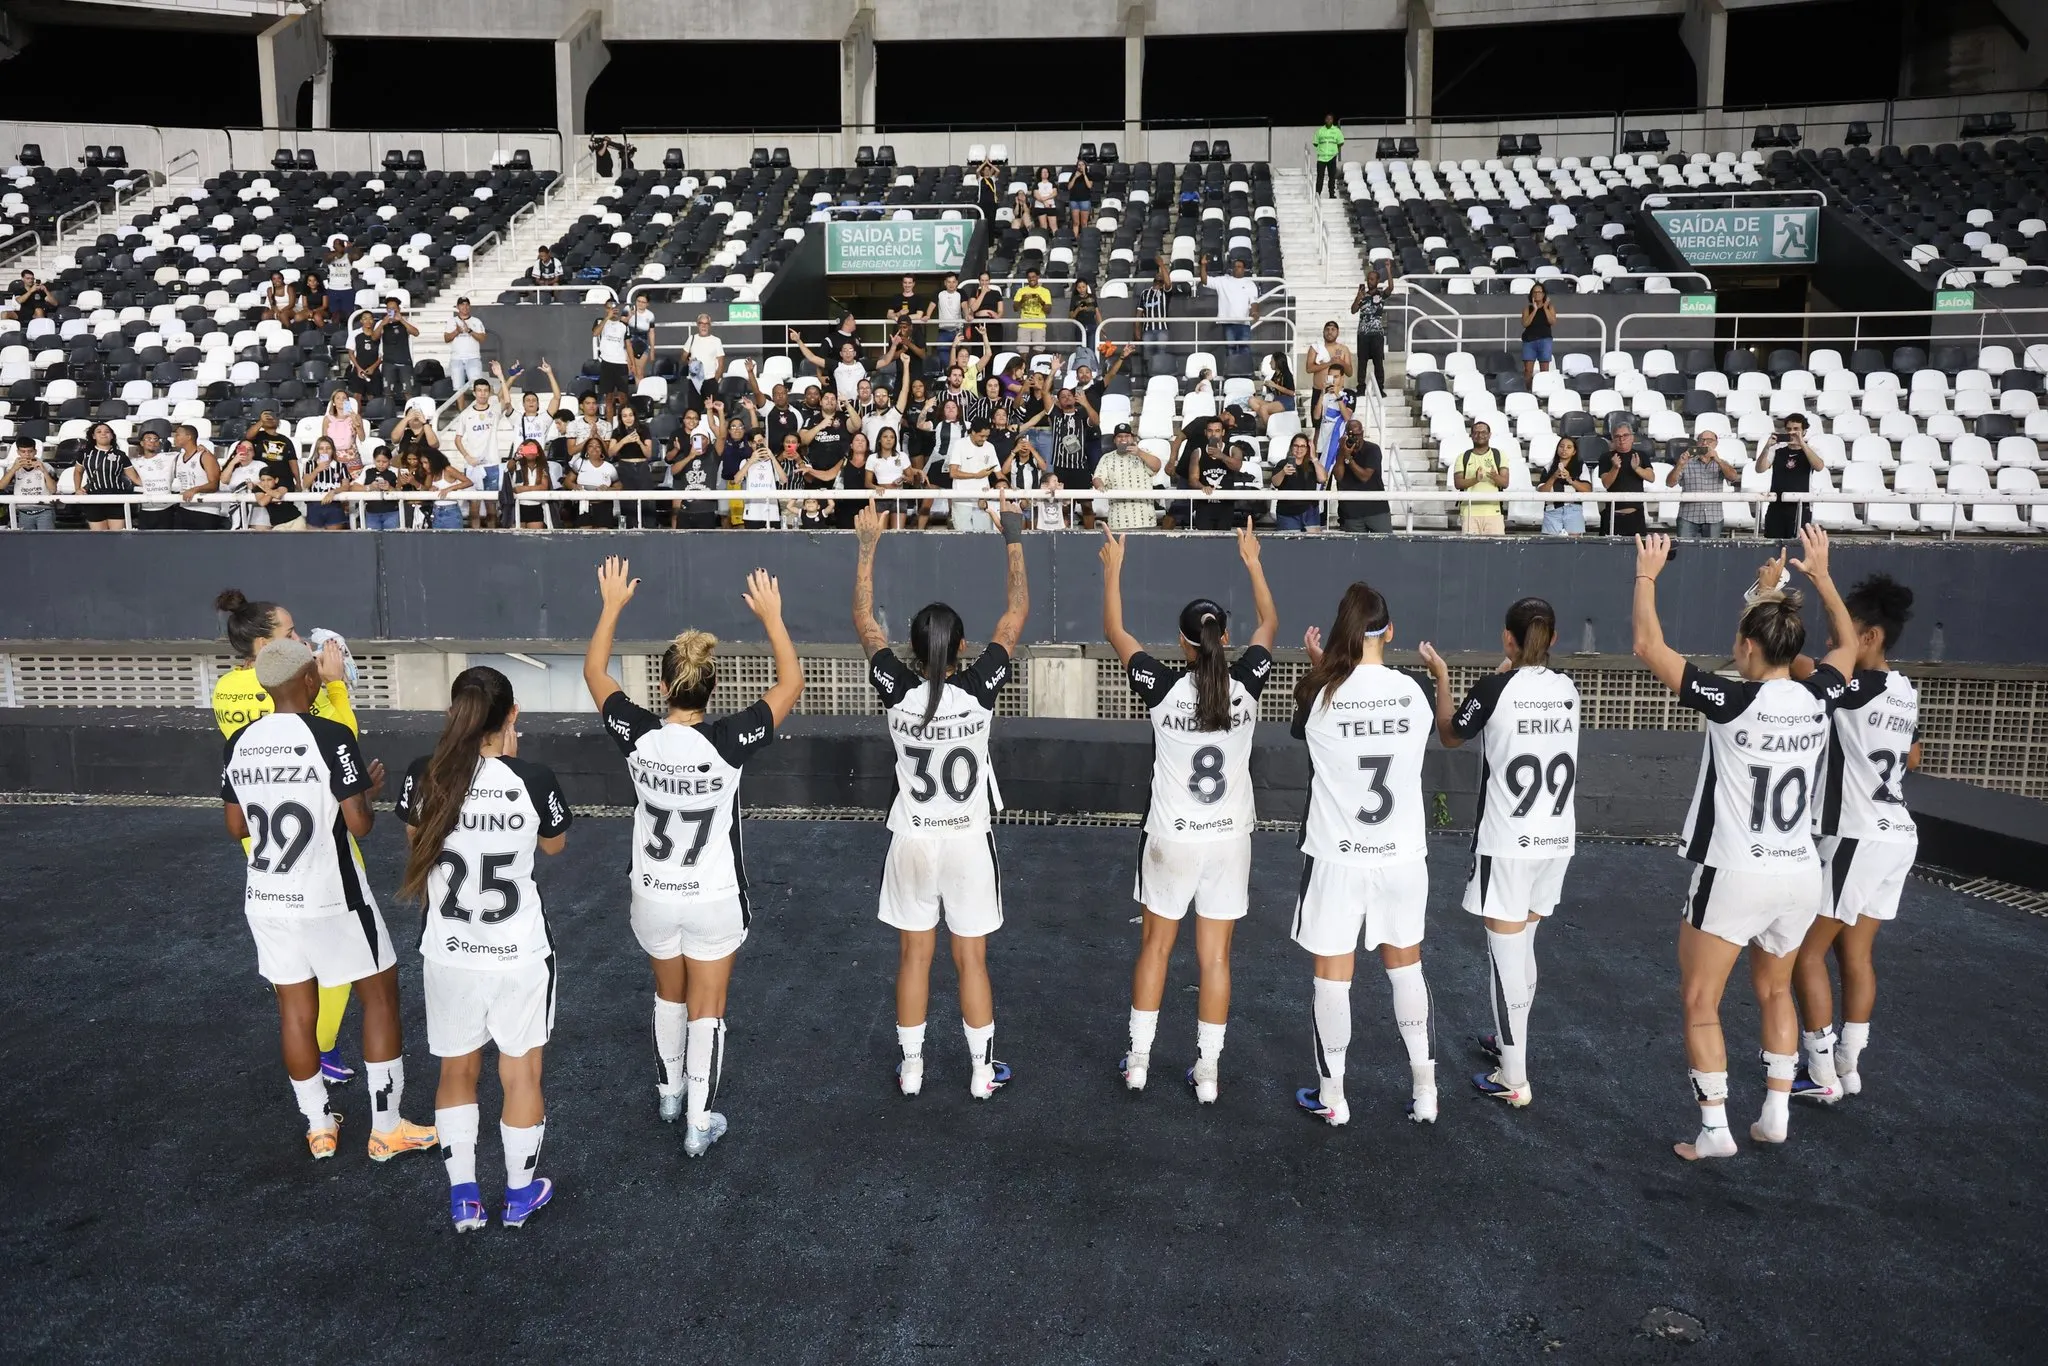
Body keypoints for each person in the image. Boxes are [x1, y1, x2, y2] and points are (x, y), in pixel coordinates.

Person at [1632, 526, 1857, 1161]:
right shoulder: (1818, 697)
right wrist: (1819, 577)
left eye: (1740, 637)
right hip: (1797, 873)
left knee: (1701, 999)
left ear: (1751, 647)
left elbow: (1649, 644)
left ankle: (1713, 1130)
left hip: (1734, 869)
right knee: (1774, 990)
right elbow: (1845, 645)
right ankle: (1776, 1114)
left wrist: (1648, 574)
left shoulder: (1731, 701)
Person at [583, 557, 804, 1153]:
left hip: (653, 892)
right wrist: (773, 619)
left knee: (668, 995)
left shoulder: (638, 733)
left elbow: (595, 671)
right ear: (713, 688)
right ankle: (698, 1120)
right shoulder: (729, 741)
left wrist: (611, 606)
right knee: (708, 1007)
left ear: (662, 688)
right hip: (712, 896)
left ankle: (669, 1093)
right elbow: (789, 685)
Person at [220, 638, 439, 1162]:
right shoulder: (330, 733)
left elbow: (236, 826)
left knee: (296, 1010)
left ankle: (319, 1126)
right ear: (310, 682)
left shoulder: (240, 741)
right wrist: (363, 794)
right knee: (380, 996)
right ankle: (387, 1128)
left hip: (267, 896)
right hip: (331, 894)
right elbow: (359, 824)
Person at [852, 499, 1028, 1099]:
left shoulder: (896, 689)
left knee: (914, 958)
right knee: (971, 961)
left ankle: (913, 1068)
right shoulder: (979, 689)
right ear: (962, 649)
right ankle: (981, 1072)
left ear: (910, 646)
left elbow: (863, 621)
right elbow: (1016, 614)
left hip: (912, 839)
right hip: (966, 841)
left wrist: (868, 545)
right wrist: (1012, 537)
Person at [1102, 527, 1277, 1102]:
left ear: (1182, 643)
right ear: (1224, 637)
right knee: (1216, 957)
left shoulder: (1162, 688)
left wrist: (1113, 568)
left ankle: (1139, 1061)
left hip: (1171, 838)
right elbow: (1269, 627)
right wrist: (1252, 563)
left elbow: (1115, 632)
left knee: (1155, 946)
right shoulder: (1248, 681)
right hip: (1227, 841)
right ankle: (1208, 1072)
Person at [395, 667, 572, 1231]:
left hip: (449, 951)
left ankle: (464, 1197)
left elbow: (415, 840)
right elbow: (554, 845)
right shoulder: (535, 777)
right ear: (512, 716)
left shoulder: (424, 776)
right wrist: (510, 770)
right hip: (518, 953)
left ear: (454, 714)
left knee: (456, 1072)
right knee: (521, 1075)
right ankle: (519, 1195)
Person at [1417, 598, 1579, 1109]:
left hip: (1508, 843)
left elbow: (1449, 734)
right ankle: (1511, 1044)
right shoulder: (1568, 690)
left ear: (1507, 639)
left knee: (1505, 958)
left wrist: (1442, 677)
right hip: (1556, 840)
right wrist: (1507, 669)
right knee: (1523, 948)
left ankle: (1514, 1074)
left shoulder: (1495, 688)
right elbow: (1513, 694)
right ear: (1552, 639)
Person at [1289, 582, 1439, 1127]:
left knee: (1332, 978)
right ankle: (1426, 1089)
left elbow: (1315, 722)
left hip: (1337, 857)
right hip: (1401, 855)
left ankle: (1334, 1096)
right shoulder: (1415, 691)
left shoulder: (1316, 691)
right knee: (1406, 970)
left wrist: (1320, 668)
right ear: (1390, 631)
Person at [213, 591, 362, 1082]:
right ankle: (320, 1048)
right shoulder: (295, 689)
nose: (301, 639)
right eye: (291, 633)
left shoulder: (224, 689)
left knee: (290, 960)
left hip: (258, 837)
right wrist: (334, 687)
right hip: (316, 830)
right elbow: (343, 742)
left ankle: (308, 1050)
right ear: (264, 644)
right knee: (344, 953)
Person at [1789, 572, 1920, 1103]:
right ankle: (1848, 1064)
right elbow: (1914, 756)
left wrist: (1796, 590)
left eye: (1842, 636)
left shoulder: (1854, 686)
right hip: (1897, 836)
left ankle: (1819, 1074)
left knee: (1804, 953)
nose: (1832, 647)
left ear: (1868, 637)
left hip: (1854, 834)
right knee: (1856, 955)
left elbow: (1800, 669)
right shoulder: (1905, 689)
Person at [1667, 430, 1741, 540]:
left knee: (1711, 553)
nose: (1705, 443)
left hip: (1714, 516)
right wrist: (1679, 465)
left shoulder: (1721, 463)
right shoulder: (1686, 462)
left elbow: (1734, 477)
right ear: (1697, 443)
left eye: (1709, 440)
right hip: (1688, 516)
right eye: (1702, 440)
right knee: (1685, 551)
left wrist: (1718, 460)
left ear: (1716, 444)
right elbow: (1670, 483)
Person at [1759, 412, 1823, 539]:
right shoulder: (1776, 449)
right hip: (1777, 505)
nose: (1792, 432)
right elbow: (1760, 469)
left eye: (1796, 429)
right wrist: (1766, 447)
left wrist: (1802, 444)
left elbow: (1819, 466)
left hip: (1800, 506)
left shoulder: (1811, 450)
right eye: (1789, 429)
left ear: (1804, 431)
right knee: (1772, 545)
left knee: (1797, 549)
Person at [1093, 422, 1160, 531]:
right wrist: (1099, 485)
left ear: (1132, 438)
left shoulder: (1144, 453)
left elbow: (1157, 466)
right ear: (1114, 440)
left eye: (1127, 436)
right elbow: (1098, 478)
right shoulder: (1107, 458)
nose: (1123, 439)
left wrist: (1139, 453)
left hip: (1145, 518)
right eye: (1119, 436)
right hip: (1118, 520)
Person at [1333, 419, 1390, 534]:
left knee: (1385, 546)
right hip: (1351, 512)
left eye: (1358, 434)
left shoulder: (1372, 449)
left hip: (1376, 510)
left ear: (1362, 433)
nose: (1355, 438)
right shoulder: (1342, 450)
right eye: (1351, 435)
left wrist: (1349, 458)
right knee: (1355, 550)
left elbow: (1364, 476)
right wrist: (1342, 454)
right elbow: (1338, 476)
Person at [1454, 421, 1509, 536]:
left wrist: (1495, 476)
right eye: (1476, 432)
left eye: (1483, 432)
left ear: (1489, 435)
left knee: (1495, 549)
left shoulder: (1499, 455)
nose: (1480, 435)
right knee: (1470, 550)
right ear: (1471, 435)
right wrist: (1476, 479)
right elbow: (1458, 483)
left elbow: (1505, 483)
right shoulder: (1463, 457)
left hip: (1494, 512)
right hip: (1469, 512)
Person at [79, 421, 135, 530]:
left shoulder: (120, 455)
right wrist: (77, 488)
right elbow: (78, 471)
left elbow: (134, 477)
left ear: (112, 435)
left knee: (117, 536)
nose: (103, 434)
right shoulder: (85, 454)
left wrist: (150, 487)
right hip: (93, 498)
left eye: (107, 431)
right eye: (99, 432)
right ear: (93, 436)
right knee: (98, 537)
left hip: (117, 498)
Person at [1601, 422, 1651, 538]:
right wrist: (1615, 467)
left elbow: (1651, 477)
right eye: (1617, 436)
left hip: (1636, 514)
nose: (1621, 439)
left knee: (1637, 550)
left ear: (1632, 437)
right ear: (1613, 439)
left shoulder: (1641, 455)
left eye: (1625, 435)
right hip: (1613, 513)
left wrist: (1637, 468)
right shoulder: (1606, 457)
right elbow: (1606, 484)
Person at [1203, 256, 1260, 358]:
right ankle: (1232, 373)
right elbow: (1205, 280)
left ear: (1244, 269)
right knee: (1230, 350)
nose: (1237, 268)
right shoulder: (1223, 280)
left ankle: (1244, 372)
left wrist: (1254, 312)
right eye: (1235, 266)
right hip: (1228, 323)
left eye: (1239, 266)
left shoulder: (1250, 284)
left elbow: (1254, 302)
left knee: (1245, 350)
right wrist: (1203, 265)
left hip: (1244, 322)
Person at [1537, 436, 1590, 536]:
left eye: (1569, 447)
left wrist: (1570, 480)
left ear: (1574, 452)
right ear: (1557, 449)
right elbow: (1541, 492)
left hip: (1574, 510)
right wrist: (1553, 477)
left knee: (1574, 545)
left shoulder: (1581, 466)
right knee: (1551, 545)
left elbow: (1587, 490)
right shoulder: (1548, 467)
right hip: (1552, 510)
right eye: (1561, 446)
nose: (1564, 449)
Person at [1271, 431, 1324, 531]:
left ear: (1307, 448)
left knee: (1313, 544)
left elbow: (1322, 479)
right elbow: (1275, 482)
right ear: (1291, 447)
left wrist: (1314, 458)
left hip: (1310, 512)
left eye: (1303, 446)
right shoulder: (1282, 464)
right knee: (1290, 545)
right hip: (1288, 512)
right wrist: (1283, 472)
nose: (1299, 449)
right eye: (1296, 446)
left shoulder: (1312, 465)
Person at [1350, 269, 1391, 396]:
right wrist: (1358, 297)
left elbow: (1391, 288)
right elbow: (1353, 310)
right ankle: (1361, 388)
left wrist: (1388, 270)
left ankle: (1379, 387)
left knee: (1378, 362)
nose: (1369, 281)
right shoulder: (1362, 295)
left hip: (1377, 334)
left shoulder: (1381, 295)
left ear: (1378, 281)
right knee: (1362, 362)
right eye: (1368, 279)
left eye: (1372, 279)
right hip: (1363, 334)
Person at [128, 428, 179, 530]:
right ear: (142, 443)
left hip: (166, 508)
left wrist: (200, 448)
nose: (152, 442)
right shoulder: (135, 462)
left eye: (155, 439)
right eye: (148, 439)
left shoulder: (170, 457)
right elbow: (132, 476)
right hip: (146, 509)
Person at [1, 436, 55, 529]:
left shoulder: (46, 467)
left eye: (30, 451)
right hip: (24, 512)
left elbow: (53, 489)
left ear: (35, 452)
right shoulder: (12, 468)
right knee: (27, 541)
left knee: (46, 540)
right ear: (18, 452)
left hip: (44, 510)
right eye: (23, 451)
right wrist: (14, 469)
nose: (27, 455)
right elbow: (1, 486)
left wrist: (44, 471)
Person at [593, 300, 633, 423]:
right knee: (608, 398)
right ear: (606, 309)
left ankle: (624, 424)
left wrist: (632, 364)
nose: (613, 311)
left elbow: (628, 345)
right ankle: (609, 427)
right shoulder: (600, 322)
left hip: (621, 363)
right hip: (606, 363)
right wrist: (607, 318)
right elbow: (595, 333)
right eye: (610, 308)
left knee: (623, 397)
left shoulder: (624, 326)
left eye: (615, 309)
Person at [376, 298, 419, 407]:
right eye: (389, 309)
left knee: (408, 391)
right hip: (388, 362)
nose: (392, 311)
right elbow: (374, 337)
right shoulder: (382, 323)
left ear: (398, 309)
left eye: (394, 309)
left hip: (404, 361)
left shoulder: (405, 322)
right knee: (387, 392)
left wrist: (402, 320)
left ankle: (411, 413)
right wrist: (382, 324)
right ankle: (388, 414)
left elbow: (416, 332)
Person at [351, 446, 406, 531]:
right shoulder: (367, 469)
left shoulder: (395, 471)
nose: (381, 464)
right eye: (378, 461)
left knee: (392, 538)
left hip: (391, 512)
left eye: (384, 461)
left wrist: (390, 488)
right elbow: (354, 487)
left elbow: (400, 491)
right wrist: (370, 487)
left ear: (390, 460)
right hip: (371, 512)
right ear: (373, 460)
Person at [443, 297, 487, 393]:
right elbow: (446, 338)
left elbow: (483, 338)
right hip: (456, 358)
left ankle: (477, 407)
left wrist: (470, 331)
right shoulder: (451, 321)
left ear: (469, 306)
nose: (465, 307)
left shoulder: (476, 321)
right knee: (458, 389)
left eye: (467, 304)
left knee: (477, 387)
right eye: (462, 305)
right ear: (458, 307)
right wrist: (456, 331)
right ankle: (461, 409)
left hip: (473, 358)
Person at [1520, 283, 1558, 387]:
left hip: (1545, 340)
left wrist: (1545, 308)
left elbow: (1552, 322)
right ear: (1532, 294)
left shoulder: (1550, 307)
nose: (1537, 294)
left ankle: (1542, 391)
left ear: (1543, 294)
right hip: (1529, 341)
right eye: (1535, 292)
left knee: (1544, 370)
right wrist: (1535, 309)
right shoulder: (1527, 308)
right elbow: (1525, 323)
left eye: (1539, 292)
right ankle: (1528, 392)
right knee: (1528, 370)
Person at [1013, 269, 1053, 353]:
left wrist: (1041, 301)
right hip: (1024, 325)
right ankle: (1023, 367)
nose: (1031, 279)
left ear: (1038, 277)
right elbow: (1015, 308)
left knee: (1038, 352)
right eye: (1029, 277)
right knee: (1022, 352)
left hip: (1039, 325)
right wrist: (1022, 301)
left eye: (1033, 277)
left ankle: (1036, 366)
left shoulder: (1045, 291)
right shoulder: (1021, 291)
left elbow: (1048, 310)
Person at [1314, 114, 1345, 198]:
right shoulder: (1320, 131)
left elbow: (1341, 142)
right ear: (1325, 120)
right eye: (1327, 119)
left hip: (1332, 157)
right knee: (1320, 177)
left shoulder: (1337, 131)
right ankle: (1317, 194)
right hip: (1321, 158)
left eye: (1330, 119)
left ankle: (1332, 194)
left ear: (1333, 120)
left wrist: (1334, 150)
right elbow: (1315, 143)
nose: (1329, 120)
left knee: (1332, 177)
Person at [1070, 160, 1095, 234]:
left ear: (1085, 166)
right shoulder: (1073, 175)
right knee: (1075, 223)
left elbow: (1089, 186)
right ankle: (1076, 240)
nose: (1080, 166)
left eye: (1082, 164)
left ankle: (1084, 240)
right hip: (1074, 201)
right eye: (1079, 165)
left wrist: (1084, 175)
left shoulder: (1089, 175)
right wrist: (1075, 177)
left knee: (1084, 223)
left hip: (1085, 201)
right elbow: (1069, 187)